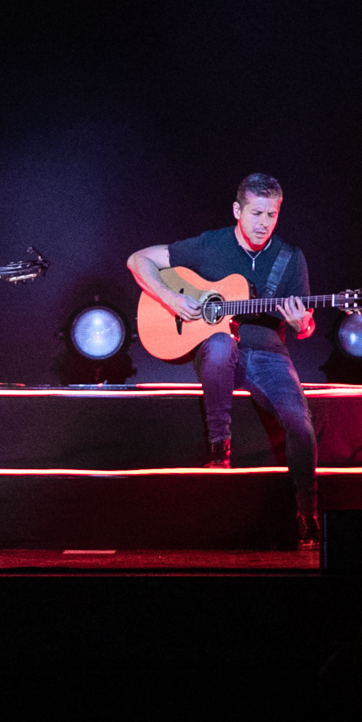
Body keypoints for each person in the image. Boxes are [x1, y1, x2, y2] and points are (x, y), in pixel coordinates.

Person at [127, 173, 321, 547]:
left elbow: (306, 329)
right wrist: (171, 298)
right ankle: (220, 448)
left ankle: (307, 512)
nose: (264, 223)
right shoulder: (209, 245)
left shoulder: (290, 259)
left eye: (272, 215)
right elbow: (138, 260)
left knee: (300, 422)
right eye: (256, 213)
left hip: (268, 353)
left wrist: (303, 323)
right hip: (217, 350)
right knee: (219, 344)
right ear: (238, 210)